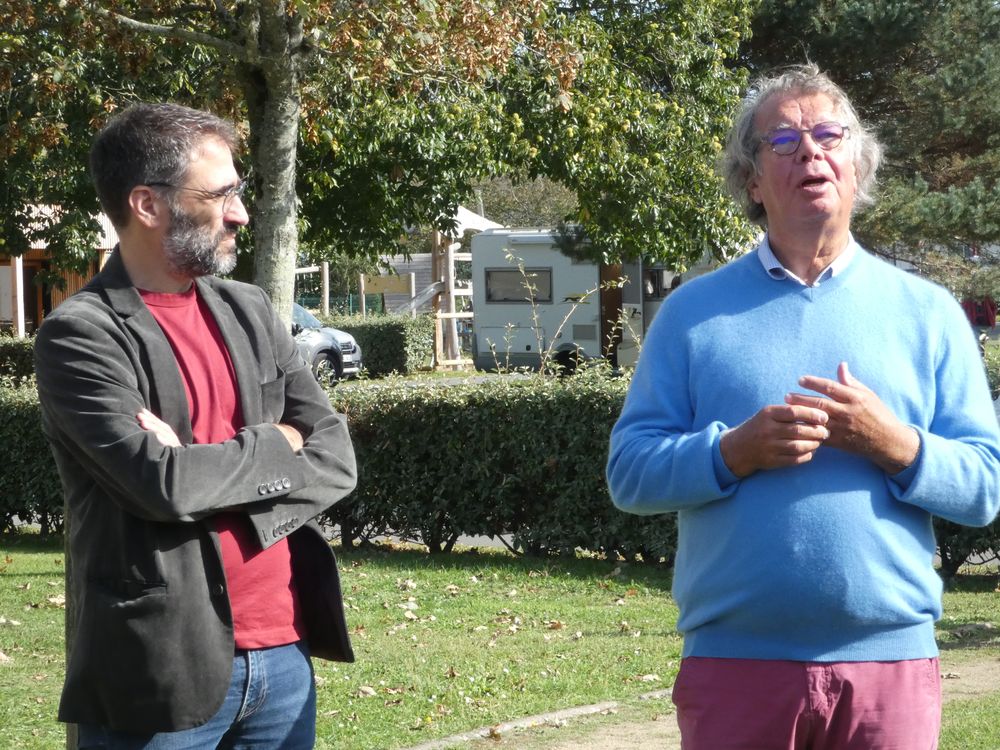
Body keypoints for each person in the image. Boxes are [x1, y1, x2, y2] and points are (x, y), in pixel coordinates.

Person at [606, 64, 1000, 749]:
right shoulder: (692, 314)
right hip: (735, 667)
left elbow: (986, 486)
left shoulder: (930, 314)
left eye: (827, 135)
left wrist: (895, 444)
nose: (810, 151)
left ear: (857, 164)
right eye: (783, 141)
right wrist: (733, 452)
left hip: (891, 669)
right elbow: (630, 475)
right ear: (753, 180)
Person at [34, 103, 358, 748]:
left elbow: (334, 455)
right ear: (148, 205)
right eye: (221, 195)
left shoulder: (250, 308)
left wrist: (206, 459)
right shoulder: (79, 334)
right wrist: (278, 443)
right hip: (158, 666)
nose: (240, 213)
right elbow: (164, 486)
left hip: (285, 651)